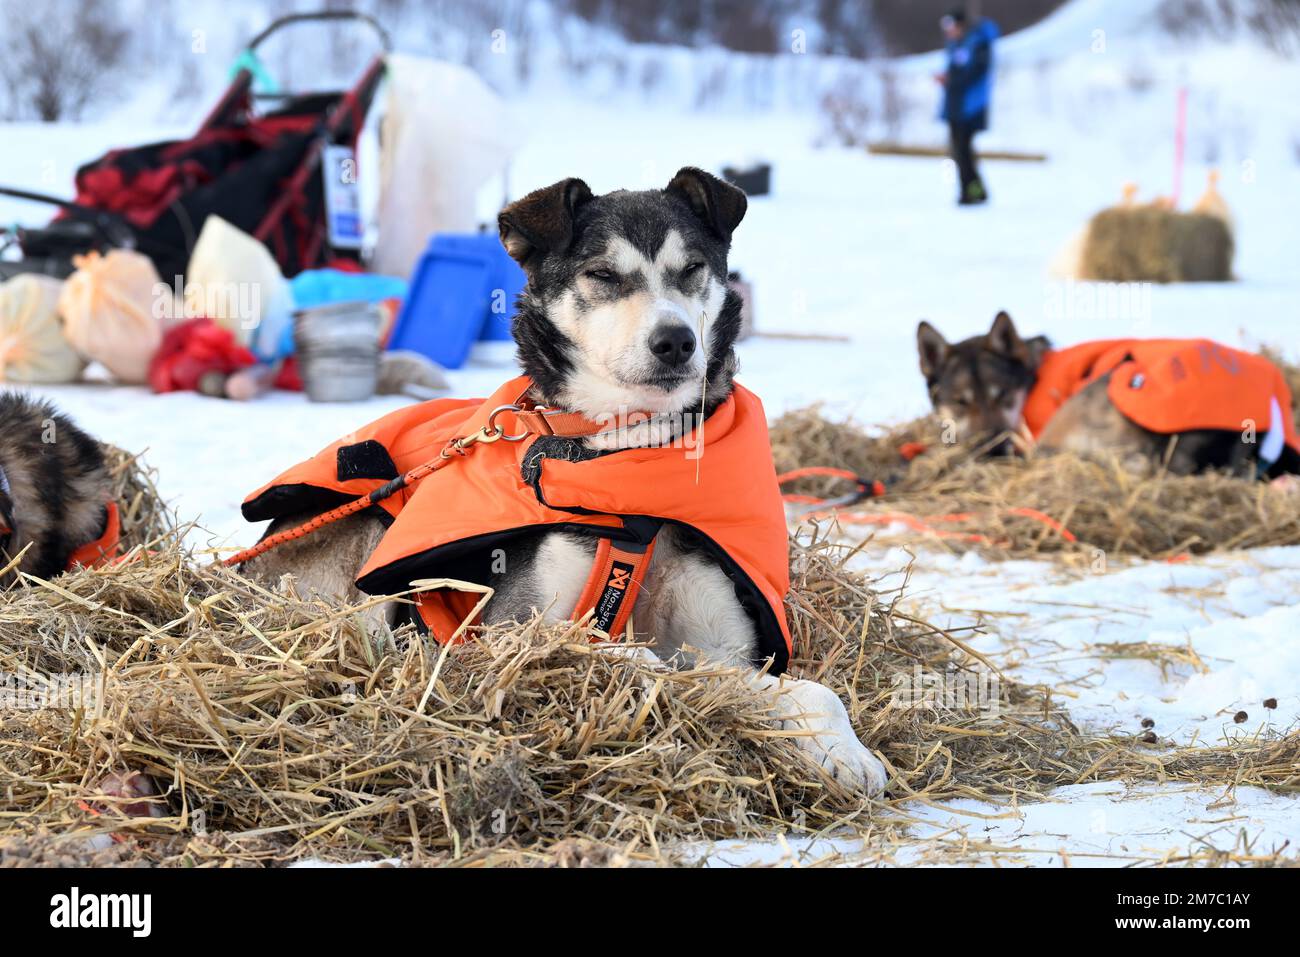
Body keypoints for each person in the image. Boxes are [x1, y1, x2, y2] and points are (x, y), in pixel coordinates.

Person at [935, 8, 999, 205]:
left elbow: (975, 74)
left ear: (960, 25)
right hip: (956, 107)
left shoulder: (977, 44)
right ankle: (973, 191)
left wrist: (951, 79)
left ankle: (972, 193)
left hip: (971, 108)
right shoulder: (955, 45)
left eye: (951, 26)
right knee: (959, 152)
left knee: (963, 152)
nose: (948, 31)